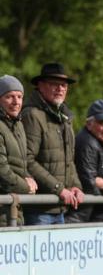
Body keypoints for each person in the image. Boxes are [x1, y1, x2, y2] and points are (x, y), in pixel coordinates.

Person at [21, 63, 84, 225]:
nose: (60, 89)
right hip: (39, 208)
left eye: (64, 85)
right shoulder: (32, 115)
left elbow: (69, 159)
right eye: (54, 84)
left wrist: (76, 186)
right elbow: (27, 160)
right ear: (40, 86)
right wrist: (58, 188)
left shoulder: (65, 117)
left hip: (59, 207)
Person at [71, 100, 103, 222]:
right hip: (77, 216)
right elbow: (89, 184)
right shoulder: (87, 142)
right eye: (102, 123)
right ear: (89, 124)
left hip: (91, 213)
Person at [0, 75, 37, 226]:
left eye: (19, 97)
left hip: (14, 207)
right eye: (9, 97)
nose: (16, 102)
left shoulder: (18, 124)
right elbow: (2, 170)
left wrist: (29, 178)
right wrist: (26, 186)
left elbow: (20, 164)